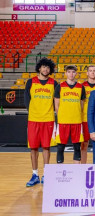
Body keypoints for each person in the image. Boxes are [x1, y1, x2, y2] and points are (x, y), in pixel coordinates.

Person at [24, 58, 57, 187]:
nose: (46, 69)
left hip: (48, 119)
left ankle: (46, 174)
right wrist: (32, 111)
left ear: (50, 70)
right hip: (33, 119)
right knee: (33, 147)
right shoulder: (30, 82)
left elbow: (56, 101)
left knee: (46, 147)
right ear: (39, 68)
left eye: (48, 68)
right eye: (43, 67)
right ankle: (34, 174)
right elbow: (27, 99)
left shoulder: (54, 83)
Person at [54, 65, 86, 164]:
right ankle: (60, 170)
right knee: (60, 146)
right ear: (65, 73)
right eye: (69, 72)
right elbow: (56, 105)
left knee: (77, 146)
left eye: (73, 72)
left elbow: (81, 105)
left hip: (76, 120)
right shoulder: (60, 86)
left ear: (76, 73)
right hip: (63, 120)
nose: (71, 74)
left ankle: (77, 171)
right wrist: (61, 117)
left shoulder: (81, 87)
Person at [81, 65, 95, 164]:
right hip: (85, 118)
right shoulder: (82, 86)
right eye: (90, 71)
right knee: (84, 145)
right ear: (87, 73)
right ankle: (83, 168)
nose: (92, 72)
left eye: (94, 71)